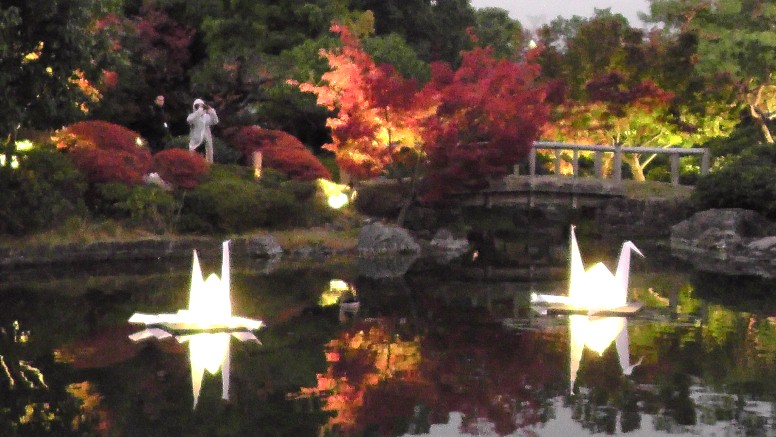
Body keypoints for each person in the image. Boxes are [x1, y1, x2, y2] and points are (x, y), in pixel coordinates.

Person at [187, 98, 219, 163]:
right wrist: (199, 111)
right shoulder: (192, 116)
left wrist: (211, 111)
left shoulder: (206, 117)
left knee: (208, 162)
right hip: (195, 144)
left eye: (201, 105)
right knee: (194, 161)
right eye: (197, 105)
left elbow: (215, 121)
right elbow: (190, 120)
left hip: (206, 143)